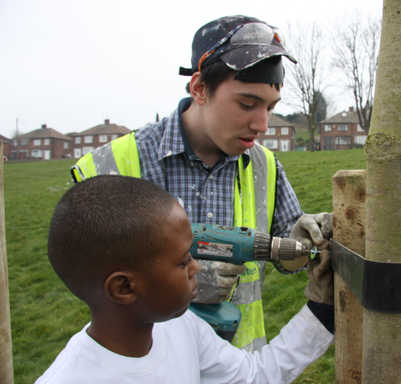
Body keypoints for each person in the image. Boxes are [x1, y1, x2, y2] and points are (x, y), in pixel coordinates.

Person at [70, 14, 332, 351]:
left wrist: (300, 243)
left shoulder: (264, 165)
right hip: (148, 366)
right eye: (247, 104)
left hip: (239, 365)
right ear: (199, 89)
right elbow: (90, 279)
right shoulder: (113, 166)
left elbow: (288, 254)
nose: (262, 124)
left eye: (270, 106)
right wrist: (179, 287)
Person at [36, 175, 334, 383]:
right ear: (124, 287)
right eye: (183, 261)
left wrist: (322, 309)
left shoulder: (180, 327)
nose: (197, 267)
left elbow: (255, 376)